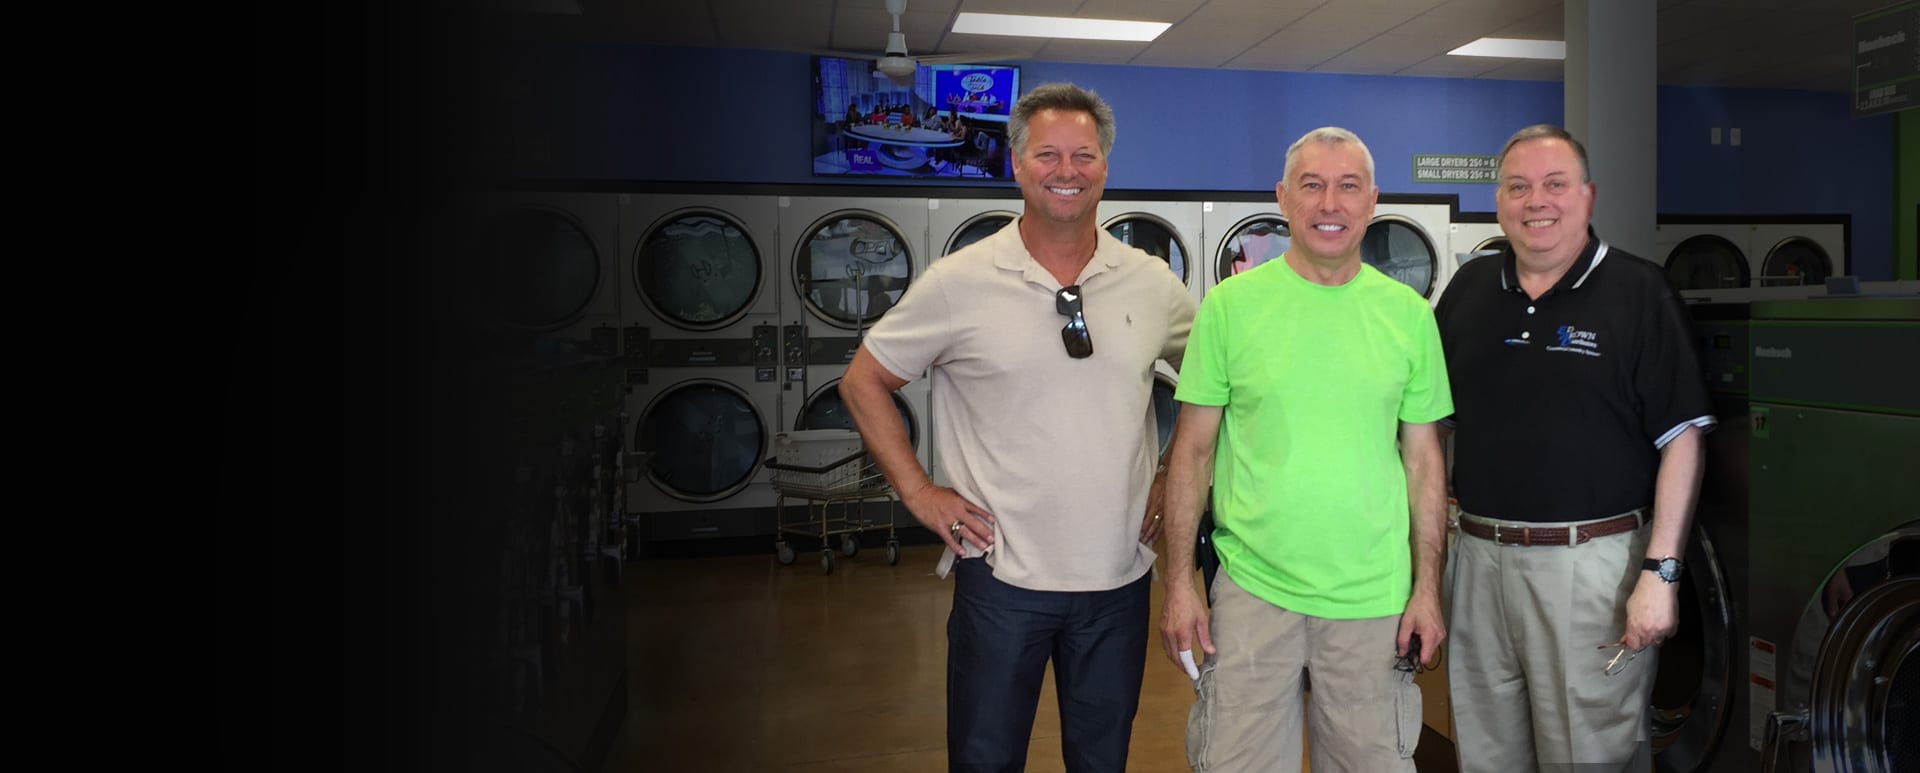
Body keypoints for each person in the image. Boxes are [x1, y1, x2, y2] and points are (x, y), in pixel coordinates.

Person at [839, 82, 1195, 772]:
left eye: (1083, 155)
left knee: (1102, 760)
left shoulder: (1152, 284)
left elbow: (1213, 386)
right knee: (986, 758)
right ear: (1017, 164)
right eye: (1048, 154)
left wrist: (1169, 471)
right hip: (1000, 578)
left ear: (1105, 167)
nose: (1067, 170)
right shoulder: (959, 281)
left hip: (1117, 577)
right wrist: (919, 492)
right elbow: (864, 381)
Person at [1158, 127, 1453, 773]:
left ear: (1372, 201)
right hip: (1252, 590)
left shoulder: (1408, 316)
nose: (1330, 203)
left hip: (1373, 598)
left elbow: (1424, 463)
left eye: (1348, 186)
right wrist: (1179, 583)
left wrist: (1427, 589)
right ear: (1282, 198)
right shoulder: (1229, 308)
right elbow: (1192, 454)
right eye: (1312, 185)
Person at [1432, 124, 1713, 773]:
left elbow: (1683, 440)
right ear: (1499, 203)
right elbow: (1431, 428)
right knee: (1486, 753)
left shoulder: (1640, 292)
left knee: (1591, 757)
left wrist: (1661, 573)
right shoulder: (1469, 290)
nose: (1537, 201)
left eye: (1554, 184)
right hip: (1476, 560)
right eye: (1518, 187)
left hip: (1592, 568)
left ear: (1587, 196)